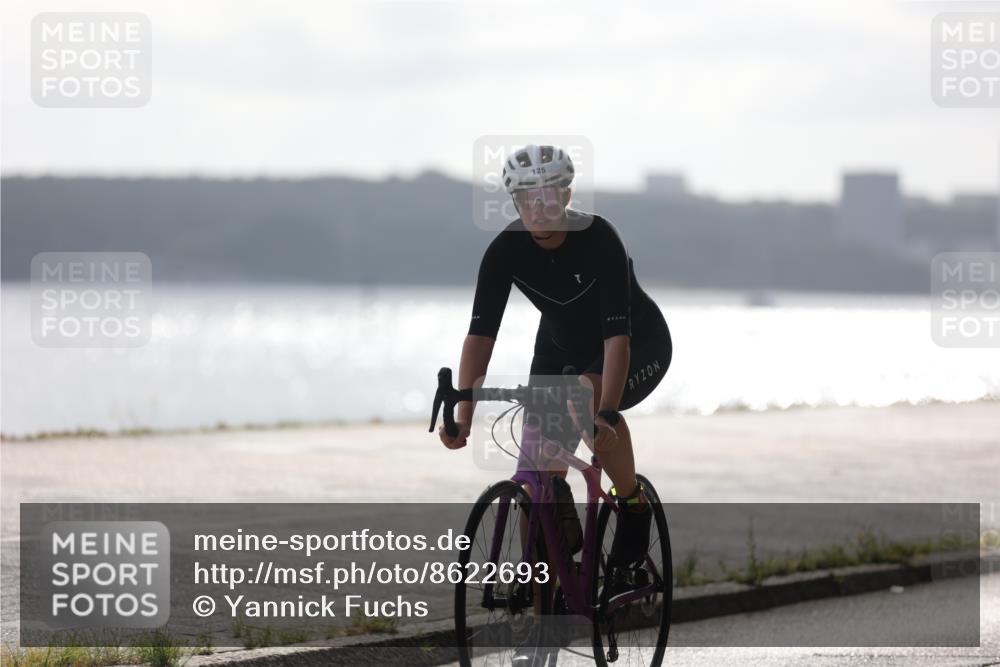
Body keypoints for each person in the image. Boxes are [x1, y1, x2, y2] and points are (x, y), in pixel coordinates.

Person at [438, 143, 672, 572]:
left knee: (582, 396)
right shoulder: (505, 250)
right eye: (527, 197)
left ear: (566, 195)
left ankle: (633, 505)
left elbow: (617, 340)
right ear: (515, 201)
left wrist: (605, 415)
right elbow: (479, 339)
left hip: (637, 342)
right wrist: (465, 414)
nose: (538, 206)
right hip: (560, 347)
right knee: (536, 477)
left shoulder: (600, 239)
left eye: (548, 194)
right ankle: (546, 600)